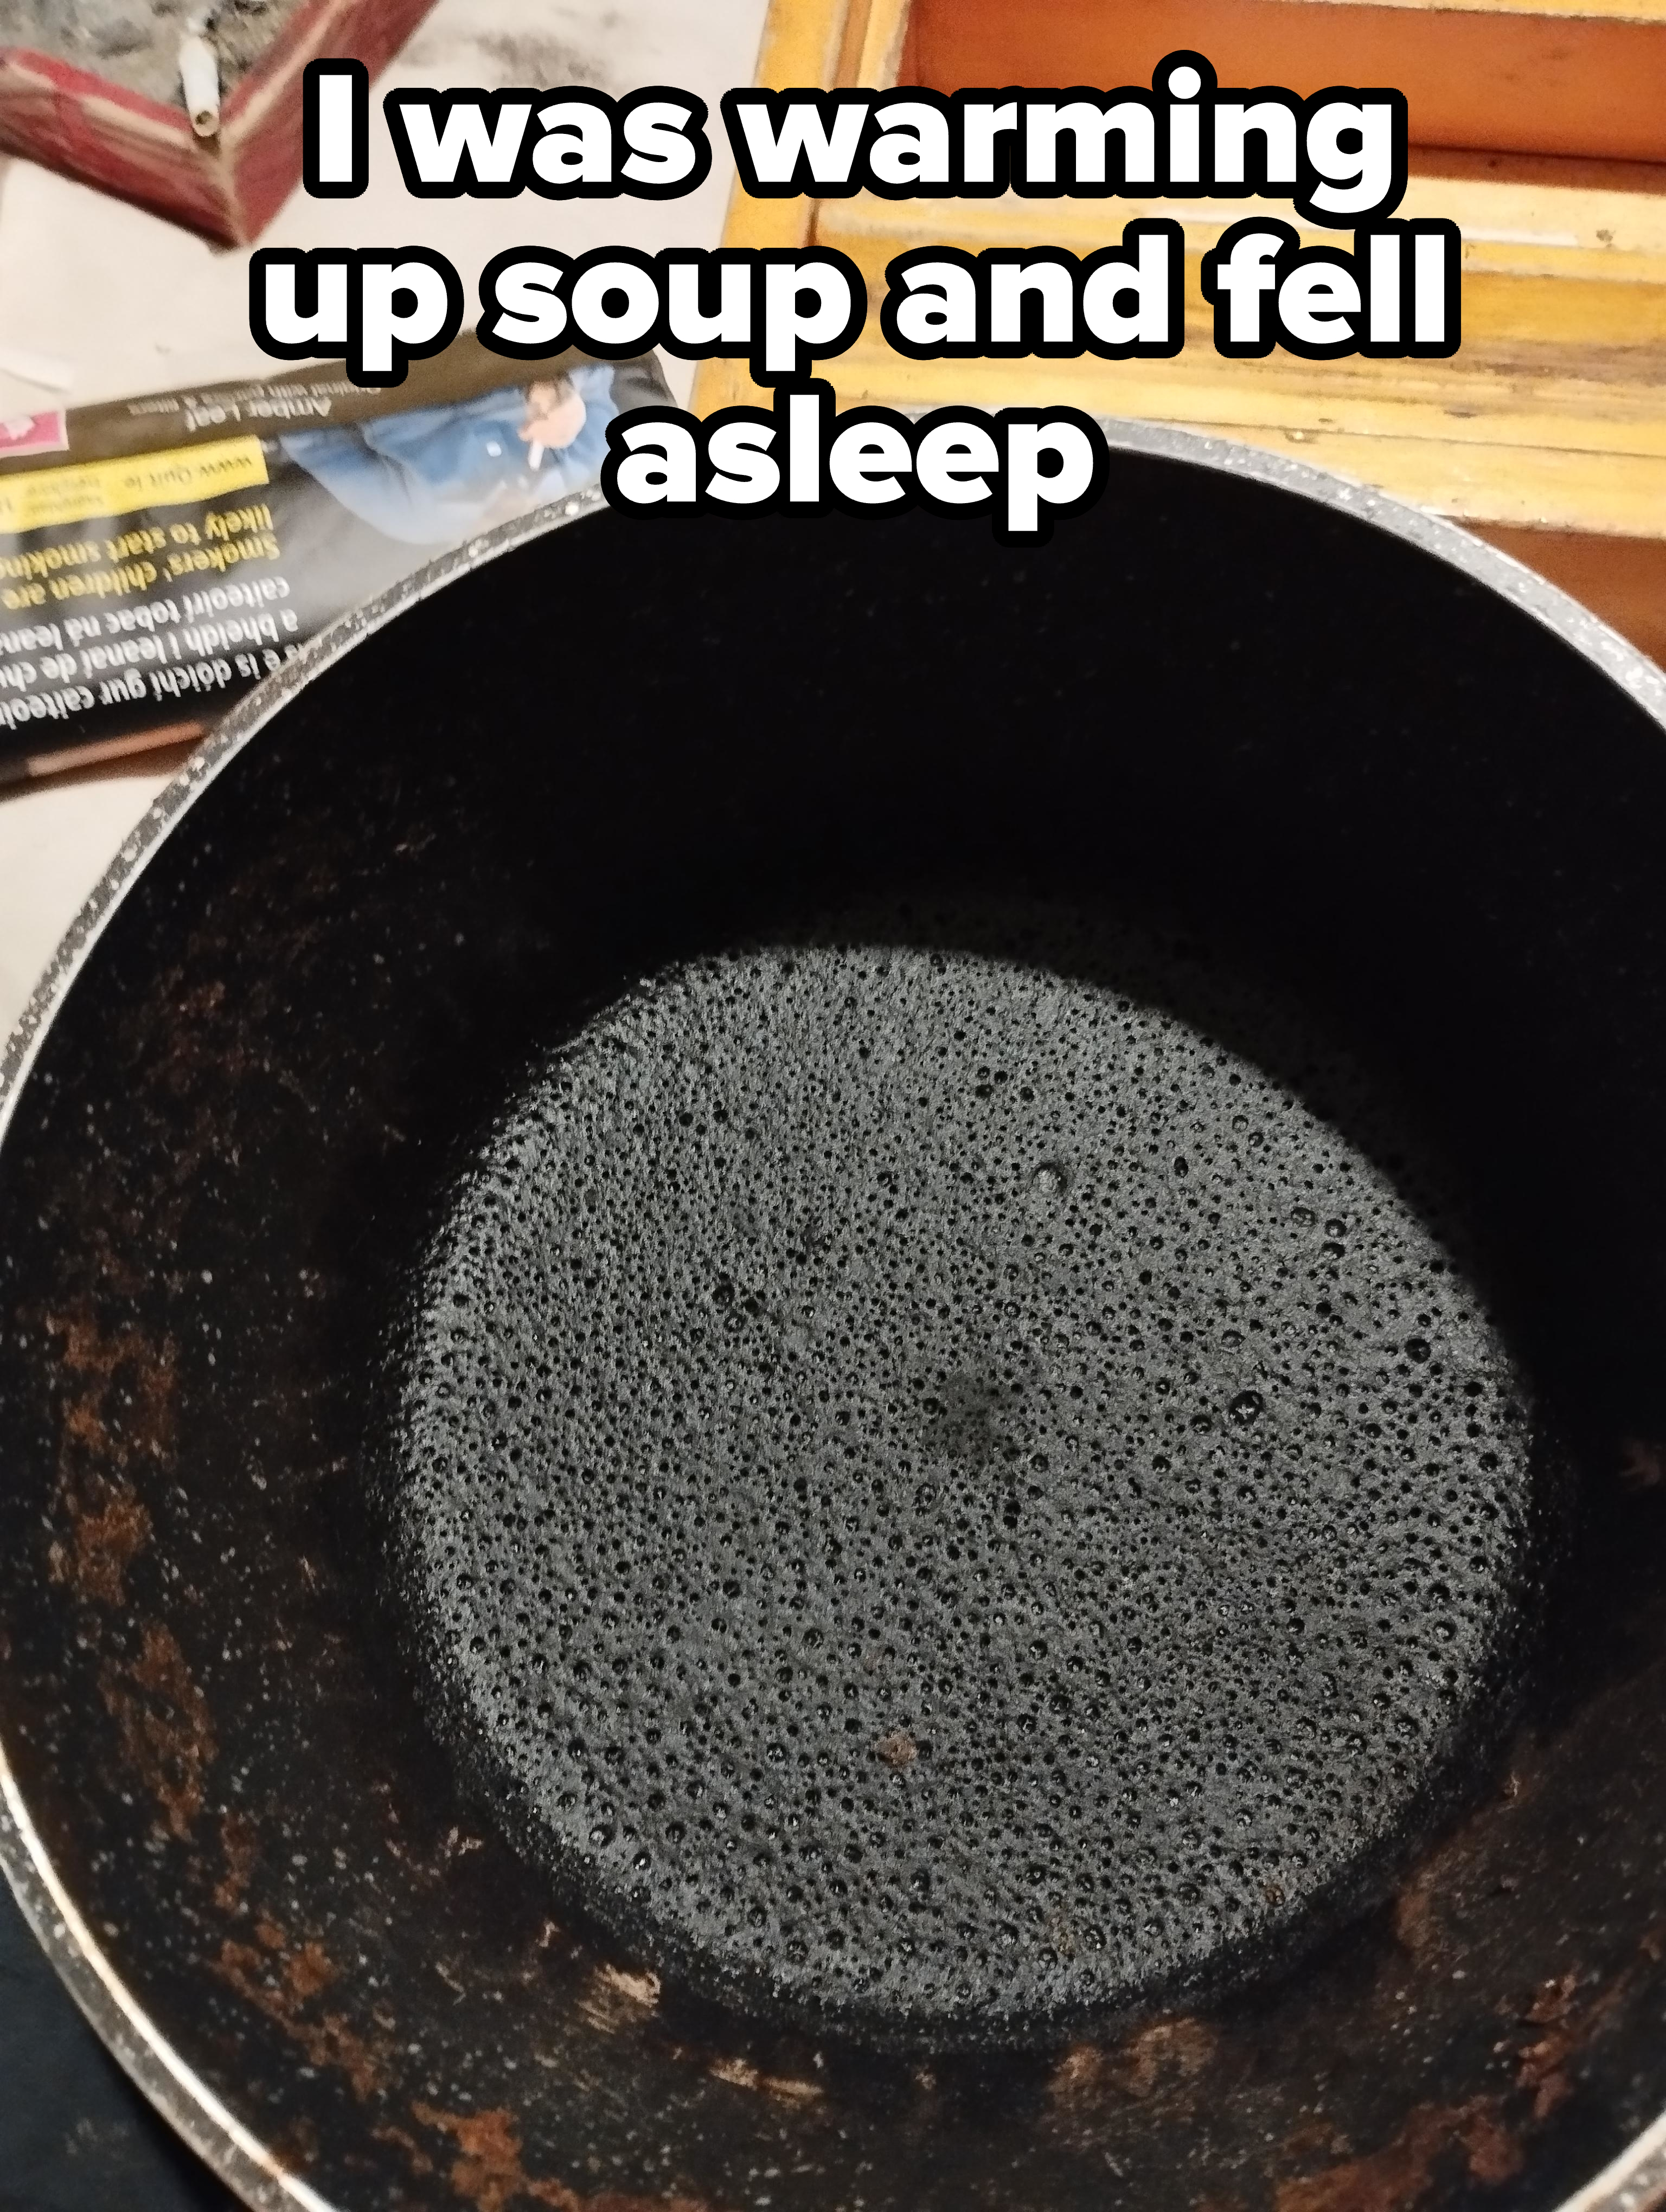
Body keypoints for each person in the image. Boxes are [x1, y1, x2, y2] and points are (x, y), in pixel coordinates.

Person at [278, 364, 617, 546]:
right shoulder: (590, 464)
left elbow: (310, 438)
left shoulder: (416, 519)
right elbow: (599, 360)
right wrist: (561, 384)